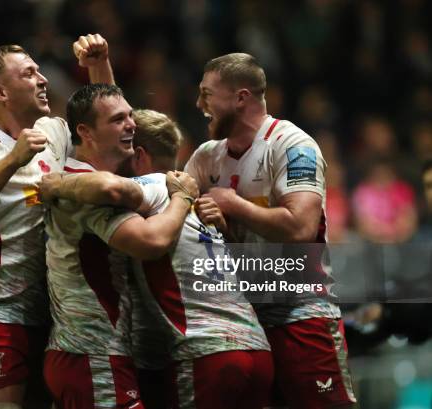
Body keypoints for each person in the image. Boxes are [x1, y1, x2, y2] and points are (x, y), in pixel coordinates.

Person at [41, 108, 274, 409]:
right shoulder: (201, 204)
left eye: (125, 152)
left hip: (206, 355)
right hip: (257, 349)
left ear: (139, 155)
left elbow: (108, 187)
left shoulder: (157, 188)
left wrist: (56, 183)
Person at [0, 34, 114, 409]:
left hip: (49, 317)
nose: (43, 79)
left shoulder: (52, 132)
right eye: (29, 73)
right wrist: (11, 161)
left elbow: (111, 129)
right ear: (0, 92)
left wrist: (97, 66)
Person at [184, 53, 357, 408]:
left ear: (241, 97)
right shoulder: (205, 158)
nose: (199, 104)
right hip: (240, 322)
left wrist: (231, 204)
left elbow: (301, 226)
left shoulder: (293, 146)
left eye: (206, 94)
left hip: (300, 314)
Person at [42, 84, 198, 409]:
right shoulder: (85, 190)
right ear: (85, 132)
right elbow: (151, 241)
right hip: (92, 353)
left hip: (85, 353)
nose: (131, 125)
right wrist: (183, 198)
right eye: (118, 120)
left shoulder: (88, 178)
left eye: (131, 116)